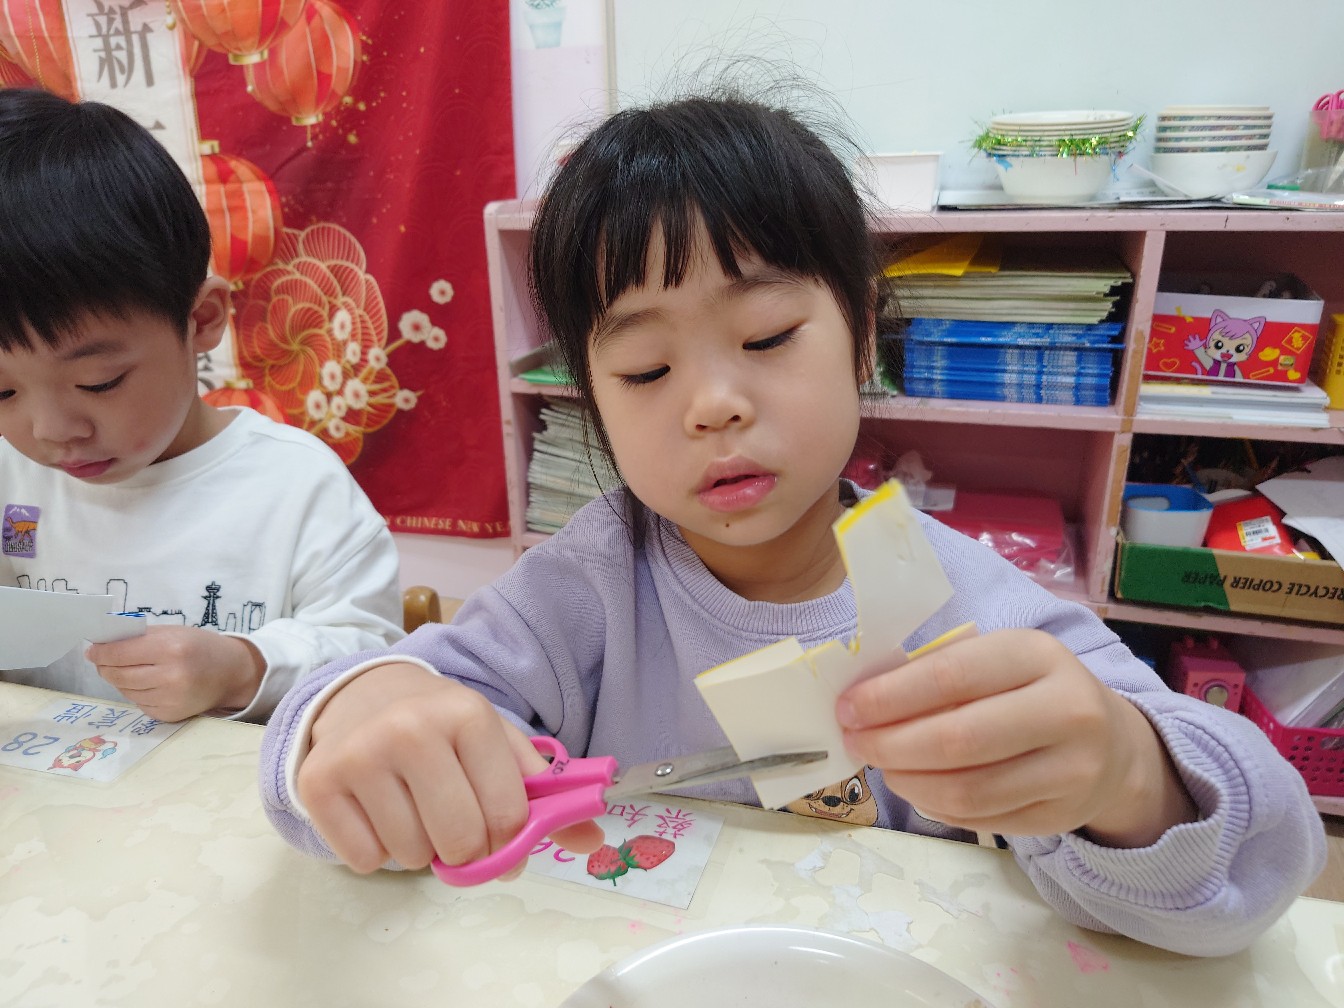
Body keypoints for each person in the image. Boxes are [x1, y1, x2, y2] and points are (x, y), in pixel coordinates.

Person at [258, 85, 1325, 956]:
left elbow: (1260, 871)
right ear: (590, 400)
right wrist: (357, 710)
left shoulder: (966, 606)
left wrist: (1127, 776)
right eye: (645, 368)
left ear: (861, 337)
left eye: (766, 337)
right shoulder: (584, 587)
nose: (712, 404)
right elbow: (340, 756)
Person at [0, 88, 405, 723]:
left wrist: (244, 668)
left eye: (99, 382)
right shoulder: (10, 473)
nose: (52, 431)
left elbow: (375, 656)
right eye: (2, 393)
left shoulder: (295, 488)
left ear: (203, 319)